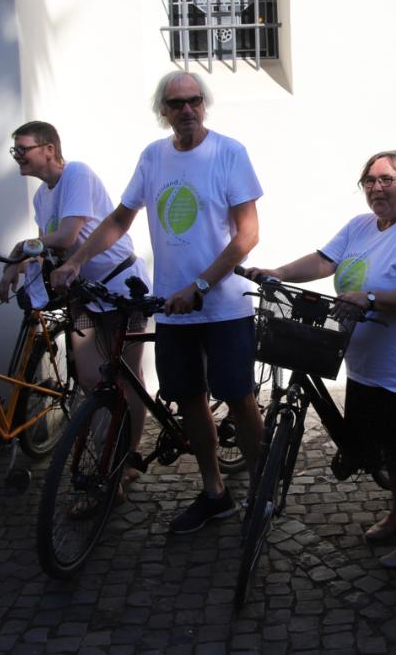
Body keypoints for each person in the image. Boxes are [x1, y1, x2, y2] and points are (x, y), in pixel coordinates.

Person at [51, 71, 263, 533]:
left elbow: (248, 235)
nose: (187, 110)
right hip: (171, 307)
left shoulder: (229, 153)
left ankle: (261, 489)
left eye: (194, 101)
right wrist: (76, 261)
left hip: (224, 305)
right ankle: (214, 493)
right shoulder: (153, 157)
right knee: (189, 399)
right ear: (162, 111)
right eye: (176, 103)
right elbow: (119, 219)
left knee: (239, 397)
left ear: (204, 104)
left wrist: (200, 286)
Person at [244, 150, 396, 568]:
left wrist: (369, 298)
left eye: (387, 179)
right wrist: (279, 273)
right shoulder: (360, 226)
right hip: (366, 364)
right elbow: (325, 260)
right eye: (369, 180)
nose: (376, 188)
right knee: (390, 446)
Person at [0, 121, 151, 488]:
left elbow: (66, 236)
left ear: (49, 149)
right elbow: (47, 247)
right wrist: (15, 266)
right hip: (85, 293)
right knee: (91, 378)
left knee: (128, 377)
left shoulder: (76, 173)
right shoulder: (41, 197)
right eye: (15, 150)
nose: (17, 156)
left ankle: (127, 458)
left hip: (121, 289)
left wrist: (18, 250)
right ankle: (106, 454)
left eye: (23, 148)